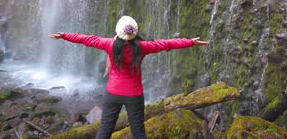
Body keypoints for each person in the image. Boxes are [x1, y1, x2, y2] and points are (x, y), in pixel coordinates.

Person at [49, 15, 209, 139]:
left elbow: (86, 39)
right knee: (138, 132)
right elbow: (166, 44)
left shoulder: (109, 44)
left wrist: (64, 35)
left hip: (112, 93)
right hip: (134, 95)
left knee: (105, 129)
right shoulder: (143, 47)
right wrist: (190, 42)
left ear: (117, 33)